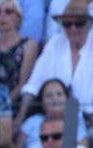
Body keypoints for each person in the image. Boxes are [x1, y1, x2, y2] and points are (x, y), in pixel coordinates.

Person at [15, 1, 93, 132]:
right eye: (67, 24)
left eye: (79, 23)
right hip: (52, 119)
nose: (73, 28)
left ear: (89, 24)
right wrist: (19, 119)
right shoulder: (54, 43)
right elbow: (33, 85)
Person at [19, 79, 88, 148]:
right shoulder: (32, 121)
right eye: (49, 96)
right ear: (42, 103)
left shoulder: (76, 121)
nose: (55, 99)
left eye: (59, 94)